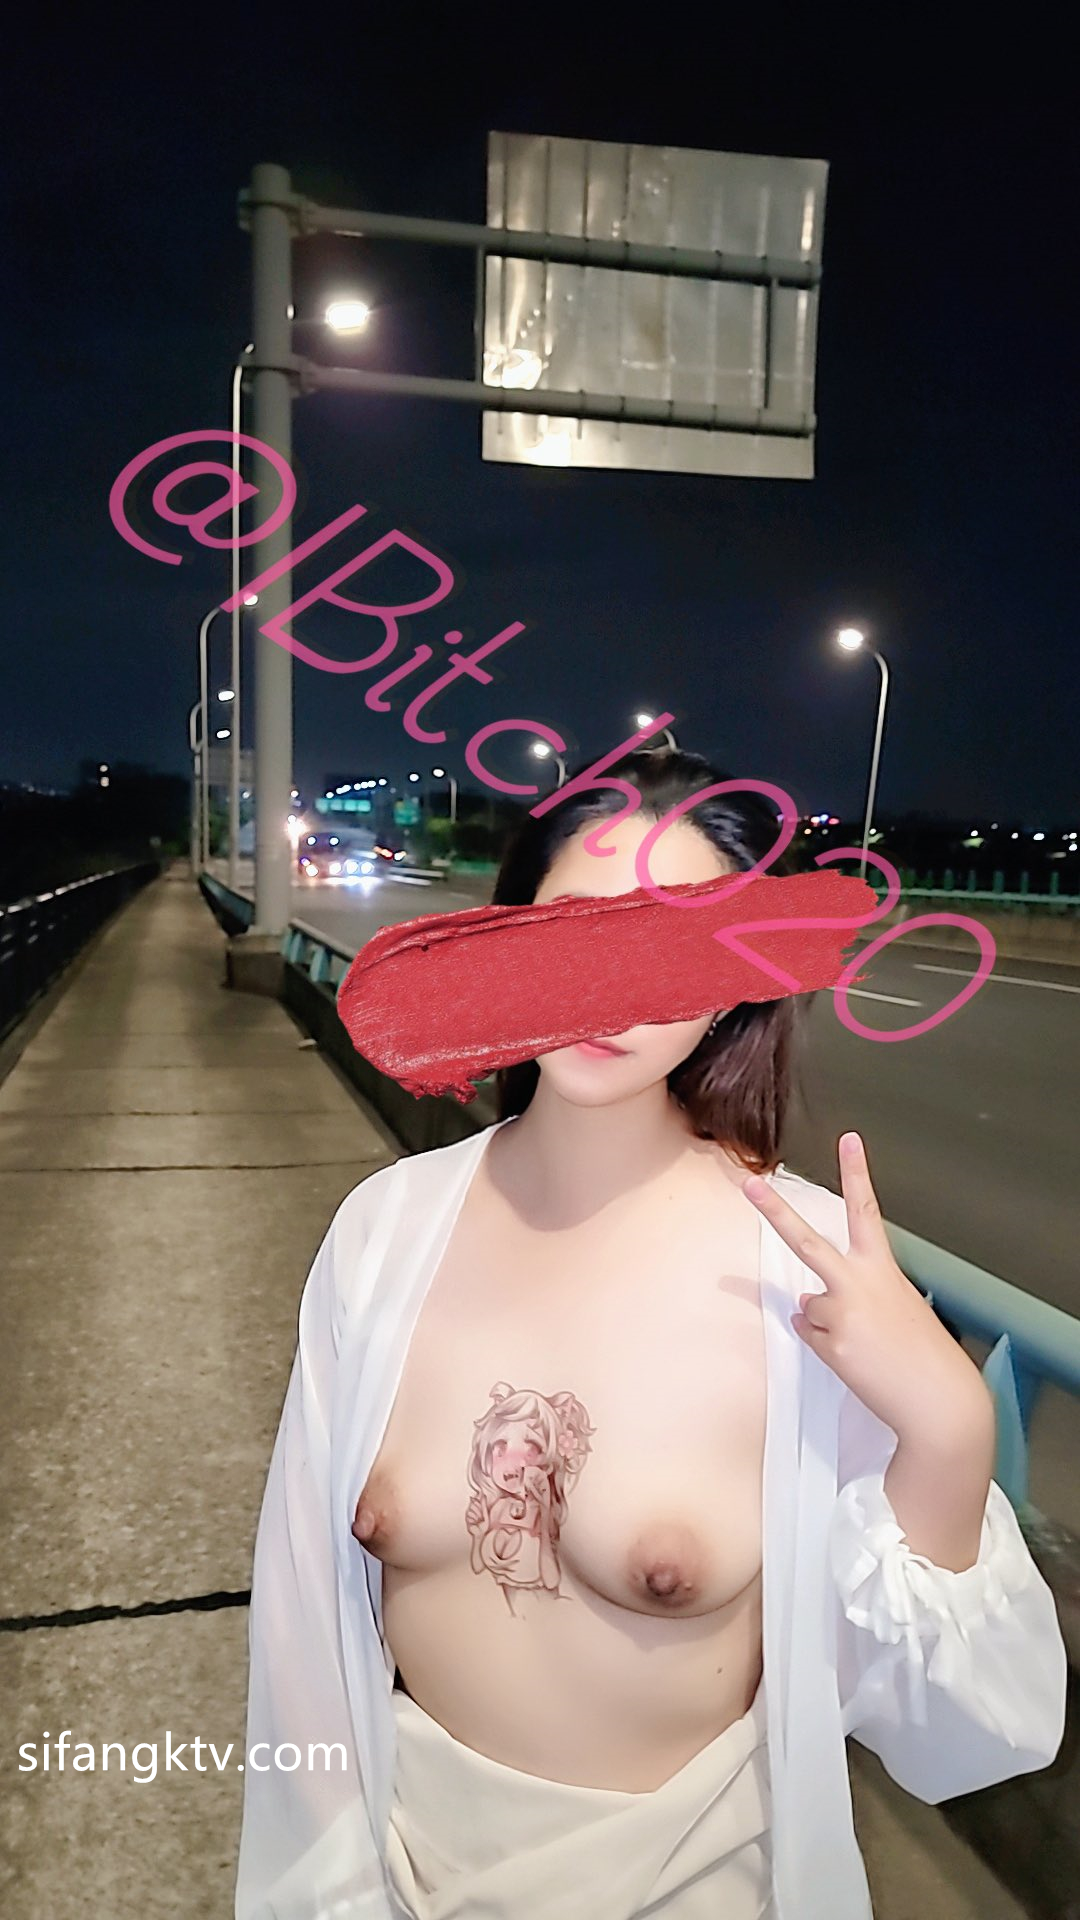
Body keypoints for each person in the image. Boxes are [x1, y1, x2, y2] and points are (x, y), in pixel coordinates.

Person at [235, 749, 1067, 1920]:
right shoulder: (385, 1231)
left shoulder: (807, 1280)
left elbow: (963, 1736)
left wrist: (950, 1432)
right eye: (578, 931)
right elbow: (302, 1620)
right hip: (390, 1872)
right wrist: (332, 1889)